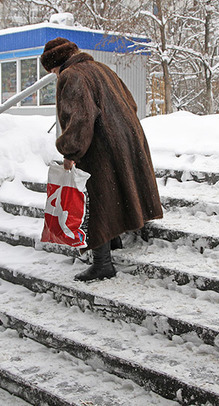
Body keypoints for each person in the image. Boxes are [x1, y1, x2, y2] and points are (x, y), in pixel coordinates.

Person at [41, 37, 163, 282]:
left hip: (102, 143)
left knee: (97, 196)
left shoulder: (71, 75)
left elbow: (80, 118)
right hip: (127, 136)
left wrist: (70, 152)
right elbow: (132, 104)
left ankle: (103, 263)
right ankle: (114, 238)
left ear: (57, 63)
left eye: (52, 70)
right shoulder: (102, 69)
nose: (54, 75)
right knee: (114, 192)